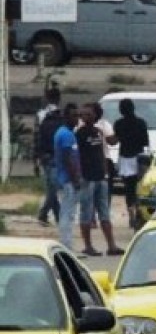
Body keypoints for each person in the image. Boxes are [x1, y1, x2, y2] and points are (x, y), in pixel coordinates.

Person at [76, 103, 124, 257]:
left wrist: (105, 172)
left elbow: (102, 152)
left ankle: (111, 245)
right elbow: (76, 156)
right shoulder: (79, 134)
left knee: (104, 213)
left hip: (100, 178)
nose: (87, 117)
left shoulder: (98, 132)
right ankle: (88, 245)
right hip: (87, 178)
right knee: (87, 213)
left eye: (90, 114)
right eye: (84, 114)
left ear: (95, 115)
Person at [109, 98, 150, 230]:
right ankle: (138, 211)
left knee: (128, 189)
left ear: (121, 110)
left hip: (125, 159)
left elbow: (115, 140)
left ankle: (131, 211)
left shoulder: (119, 124)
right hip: (138, 158)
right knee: (139, 188)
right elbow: (145, 142)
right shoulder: (141, 123)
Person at [54, 104, 82, 252]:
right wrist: (76, 179)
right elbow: (68, 159)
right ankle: (66, 246)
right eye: (73, 116)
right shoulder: (65, 135)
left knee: (69, 214)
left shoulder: (68, 133)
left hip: (67, 179)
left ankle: (67, 244)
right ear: (66, 117)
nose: (76, 119)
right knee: (67, 214)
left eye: (77, 115)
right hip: (67, 180)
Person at [35, 86, 62, 227]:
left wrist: (36, 157)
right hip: (54, 155)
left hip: (45, 154)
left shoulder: (41, 115)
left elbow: (37, 137)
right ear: (58, 98)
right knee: (53, 188)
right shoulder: (61, 116)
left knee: (51, 187)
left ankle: (58, 216)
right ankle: (44, 213)